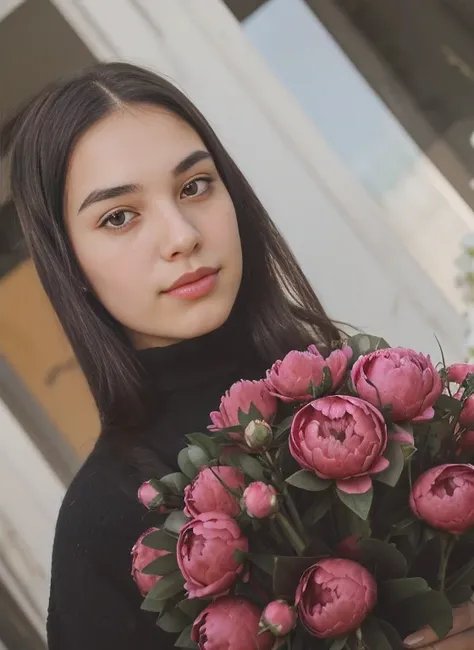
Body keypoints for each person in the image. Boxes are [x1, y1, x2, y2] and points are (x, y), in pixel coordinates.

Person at [1, 62, 473, 650]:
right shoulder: (104, 524)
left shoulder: (371, 395)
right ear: (68, 265)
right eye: (119, 217)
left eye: (194, 185)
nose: (181, 234)